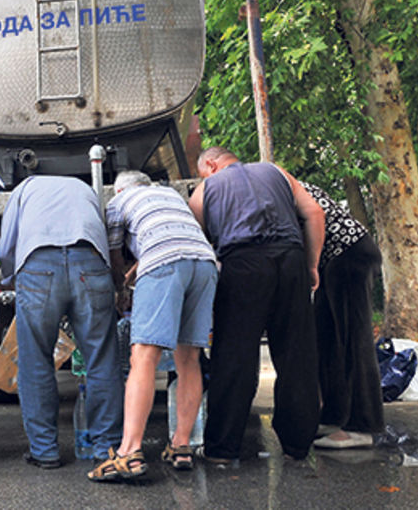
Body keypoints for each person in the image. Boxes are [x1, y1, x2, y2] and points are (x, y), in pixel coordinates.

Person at [188, 146, 325, 463]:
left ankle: (223, 447)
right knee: (296, 355)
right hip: (290, 261)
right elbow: (315, 213)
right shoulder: (276, 171)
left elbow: (198, 241)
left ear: (210, 164)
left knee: (234, 355)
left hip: (242, 264)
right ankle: (297, 445)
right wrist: (311, 265)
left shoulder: (204, 190)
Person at [89, 171, 217, 480]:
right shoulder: (172, 196)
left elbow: (115, 254)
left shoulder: (119, 201)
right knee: (189, 359)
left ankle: (128, 453)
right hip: (204, 264)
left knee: (143, 357)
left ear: (119, 188)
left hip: (163, 263)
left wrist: (120, 288)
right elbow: (174, 236)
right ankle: (181, 445)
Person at [0, 175, 123, 470]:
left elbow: (5, 248)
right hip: (90, 262)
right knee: (102, 358)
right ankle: (107, 448)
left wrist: (9, 278)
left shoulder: (24, 189)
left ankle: (45, 451)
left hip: (38, 264)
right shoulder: (85, 189)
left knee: (36, 359)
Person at [300, 182, 384, 449]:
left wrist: (310, 265)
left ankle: (363, 426)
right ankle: (334, 415)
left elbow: (316, 215)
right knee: (325, 338)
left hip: (348, 255)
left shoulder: (276, 183)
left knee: (353, 340)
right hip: (333, 260)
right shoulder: (275, 183)